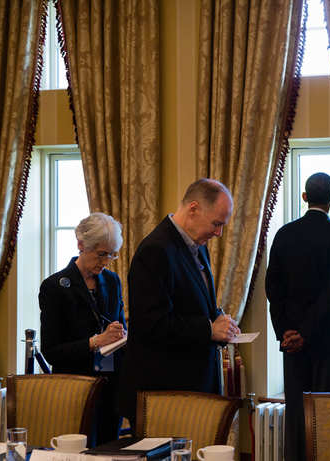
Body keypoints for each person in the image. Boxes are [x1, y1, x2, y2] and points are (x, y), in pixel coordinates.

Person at [120, 178, 240, 423]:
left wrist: (219, 318)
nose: (219, 233)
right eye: (216, 224)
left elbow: (193, 301)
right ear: (193, 209)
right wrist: (209, 329)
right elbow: (150, 324)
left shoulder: (197, 244)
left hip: (195, 384)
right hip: (165, 390)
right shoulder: (155, 250)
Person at [265, 172, 330, 461]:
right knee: (327, 419)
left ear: (304, 197)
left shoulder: (284, 234)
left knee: (296, 419)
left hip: (293, 344)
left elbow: (272, 287)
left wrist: (286, 332)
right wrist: (306, 330)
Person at [39, 212, 127, 445]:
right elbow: (51, 351)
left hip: (110, 386)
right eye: (101, 254)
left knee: (110, 451)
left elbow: (119, 326)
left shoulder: (112, 281)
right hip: (74, 389)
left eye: (112, 255)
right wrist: (94, 342)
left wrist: (123, 335)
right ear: (81, 245)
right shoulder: (54, 287)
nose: (106, 261)